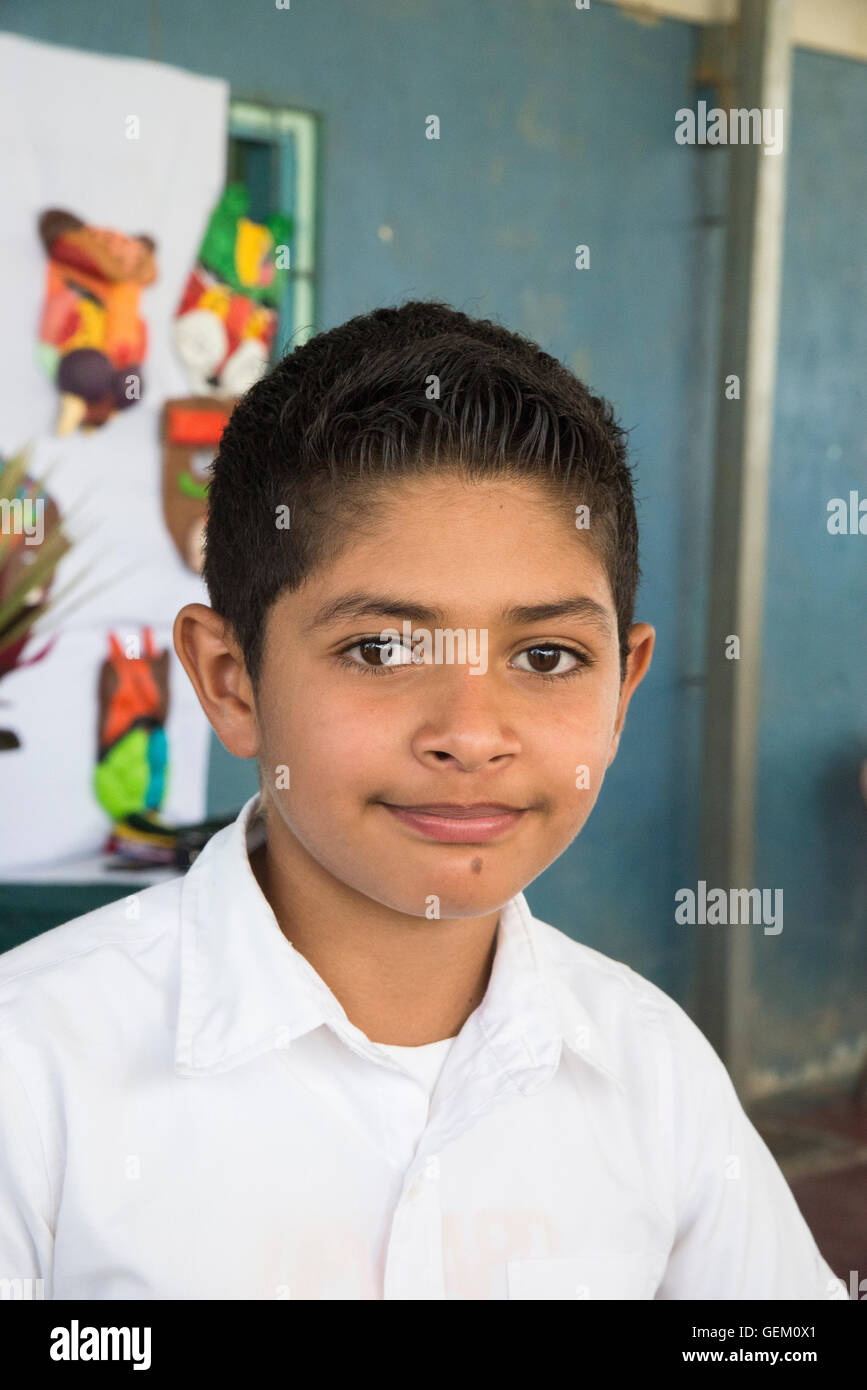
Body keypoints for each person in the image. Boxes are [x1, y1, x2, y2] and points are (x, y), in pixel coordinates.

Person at [0, 301, 843, 1299]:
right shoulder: (36, 1071)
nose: (472, 733)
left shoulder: (654, 1073)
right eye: (380, 649)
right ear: (232, 682)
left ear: (621, 690)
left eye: (546, 656)